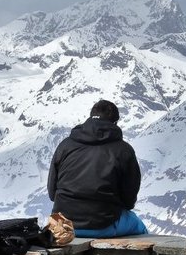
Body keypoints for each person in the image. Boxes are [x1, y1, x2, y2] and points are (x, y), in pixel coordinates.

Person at [47, 100, 148, 238]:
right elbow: (129, 200)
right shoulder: (123, 150)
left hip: (61, 225)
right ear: (115, 123)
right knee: (140, 227)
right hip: (102, 224)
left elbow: (52, 193)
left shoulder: (65, 145)